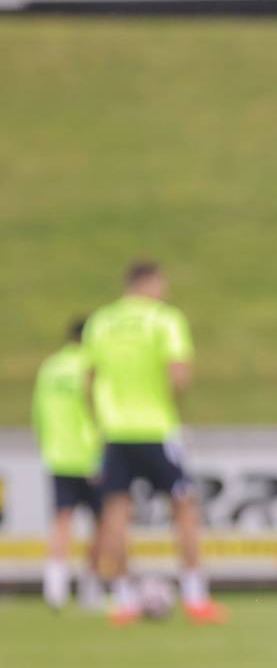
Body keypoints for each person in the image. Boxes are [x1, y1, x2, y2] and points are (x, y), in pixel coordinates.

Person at [85, 260, 226, 627]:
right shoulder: (165, 320)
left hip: (115, 431)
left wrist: (102, 417)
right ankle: (196, 597)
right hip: (156, 428)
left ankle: (124, 600)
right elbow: (178, 374)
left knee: (116, 512)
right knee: (184, 506)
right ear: (149, 283)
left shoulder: (101, 322)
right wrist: (173, 404)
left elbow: (89, 379)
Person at [31, 318, 105, 611]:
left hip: (58, 455)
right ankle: (91, 588)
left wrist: (49, 446)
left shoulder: (50, 367)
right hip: (91, 457)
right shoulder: (92, 366)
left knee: (62, 521)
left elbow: (38, 412)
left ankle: (55, 589)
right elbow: (99, 408)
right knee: (103, 523)